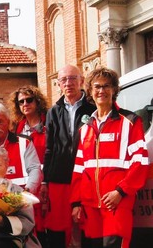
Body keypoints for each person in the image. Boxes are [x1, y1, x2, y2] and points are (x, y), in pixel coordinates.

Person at [70, 67, 149, 248]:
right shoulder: (85, 128)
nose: (101, 91)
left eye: (107, 86)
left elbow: (140, 162)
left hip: (117, 202)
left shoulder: (130, 121)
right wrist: (75, 203)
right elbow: (79, 168)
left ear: (114, 90)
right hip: (90, 206)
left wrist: (120, 192)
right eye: (97, 87)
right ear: (90, 91)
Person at [41, 64, 96, 248]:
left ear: (81, 81)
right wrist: (45, 181)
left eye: (73, 78)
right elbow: (49, 148)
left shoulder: (93, 108)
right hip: (59, 178)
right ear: (58, 84)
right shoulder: (53, 112)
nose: (68, 83)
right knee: (58, 228)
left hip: (87, 176)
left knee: (86, 225)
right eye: (64, 79)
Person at [8, 85, 49, 247]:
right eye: (21, 102)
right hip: (28, 186)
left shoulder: (49, 124)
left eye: (29, 100)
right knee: (30, 225)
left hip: (47, 182)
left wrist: (45, 181)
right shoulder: (16, 127)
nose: (25, 104)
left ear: (37, 101)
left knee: (49, 227)